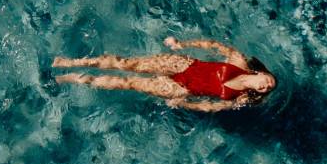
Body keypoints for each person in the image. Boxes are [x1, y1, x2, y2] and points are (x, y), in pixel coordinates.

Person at [51, 36, 277, 112]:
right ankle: (70, 62)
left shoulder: (243, 98)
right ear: (261, 72)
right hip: (183, 65)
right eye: (268, 81)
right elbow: (214, 45)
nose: (266, 86)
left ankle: (76, 78)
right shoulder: (239, 60)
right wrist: (181, 44)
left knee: (127, 83)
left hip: (180, 89)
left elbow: (212, 106)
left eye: (268, 88)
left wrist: (183, 103)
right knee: (128, 64)